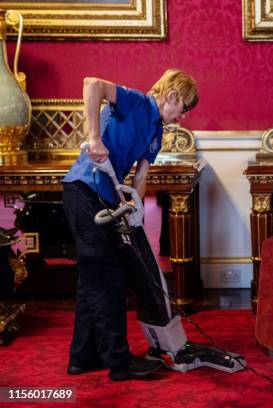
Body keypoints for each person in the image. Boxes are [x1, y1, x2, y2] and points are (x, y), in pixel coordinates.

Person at [62, 69, 198, 381]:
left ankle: (82, 357)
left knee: (92, 280)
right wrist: (94, 137)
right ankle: (120, 363)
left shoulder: (157, 132)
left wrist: (134, 207)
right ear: (173, 96)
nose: (184, 116)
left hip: (109, 199)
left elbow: (141, 175)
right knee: (108, 279)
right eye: (185, 108)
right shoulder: (135, 102)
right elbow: (91, 84)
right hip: (85, 192)